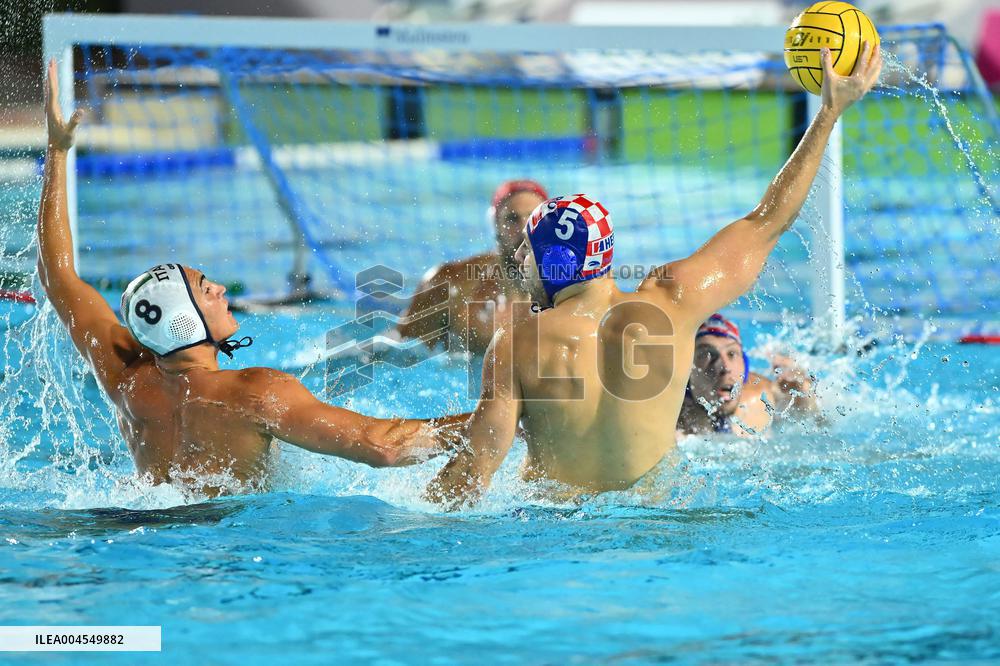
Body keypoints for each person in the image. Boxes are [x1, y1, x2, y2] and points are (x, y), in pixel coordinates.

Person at [426, 45, 882, 508]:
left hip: (559, 532)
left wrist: (413, 516)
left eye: (527, 251)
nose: (518, 260)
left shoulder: (517, 343)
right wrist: (828, 113)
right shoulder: (672, 303)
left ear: (551, 265)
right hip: (659, 521)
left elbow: (473, 472)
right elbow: (767, 222)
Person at [36, 60, 461, 497]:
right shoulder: (254, 392)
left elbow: (57, 276)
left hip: (145, 522)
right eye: (205, 289)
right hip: (229, 550)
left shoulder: (128, 380)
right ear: (185, 321)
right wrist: (495, 417)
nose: (220, 289)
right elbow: (383, 446)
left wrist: (57, 150)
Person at [397, 179, 548, 354]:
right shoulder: (451, 285)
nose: (524, 229)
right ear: (495, 227)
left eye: (534, 218)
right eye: (512, 219)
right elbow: (403, 358)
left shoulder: (569, 286)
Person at [678, 314, 817, 436]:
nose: (725, 367)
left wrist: (803, 388)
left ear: (745, 365)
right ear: (687, 368)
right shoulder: (670, 418)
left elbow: (816, 424)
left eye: (732, 353)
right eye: (708, 355)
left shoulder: (762, 396)